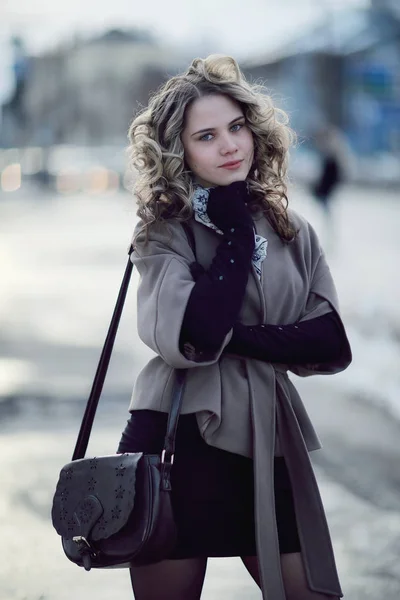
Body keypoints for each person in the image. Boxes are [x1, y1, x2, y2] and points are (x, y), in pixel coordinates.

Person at [118, 55, 352, 600]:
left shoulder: (293, 230)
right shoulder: (161, 235)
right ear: (180, 151)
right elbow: (192, 338)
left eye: (237, 127)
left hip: (268, 436)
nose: (230, 145)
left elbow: (330, 342)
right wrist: (235, 241)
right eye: (206, 136)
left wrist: (233, 338)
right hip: (176, 438)